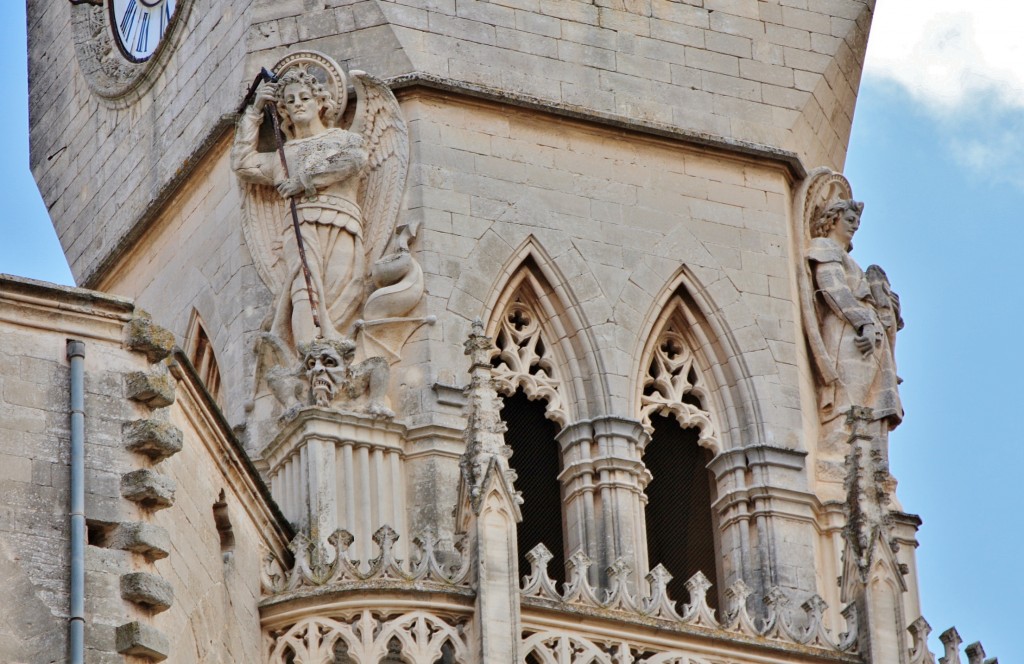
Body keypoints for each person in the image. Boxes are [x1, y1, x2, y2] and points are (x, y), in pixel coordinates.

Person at [231, 68, 368, 344]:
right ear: (284, 111)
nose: (298, 103)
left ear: (320, 102)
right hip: (301, 226)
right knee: (305, 288)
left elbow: (353, 161)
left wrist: (302, 182)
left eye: (305, 97)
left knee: (345, 287)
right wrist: (255, 111)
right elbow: (242, 162)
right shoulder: (284, 155)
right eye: (290, 101)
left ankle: (334, 351)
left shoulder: (342, 140)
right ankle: (310, 352)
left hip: (343, 223)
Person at [808, 199, 902, 441]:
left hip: (866, 332)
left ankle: (856, 454)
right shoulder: (824, 247)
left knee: (867, 406)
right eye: (849, 220)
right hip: (847, 330)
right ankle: (839, 449)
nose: (854, 226)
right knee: (846, 401)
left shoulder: (852, 262)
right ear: (832, 220)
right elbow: (833, 290)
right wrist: (864, 321)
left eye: (857, 223)